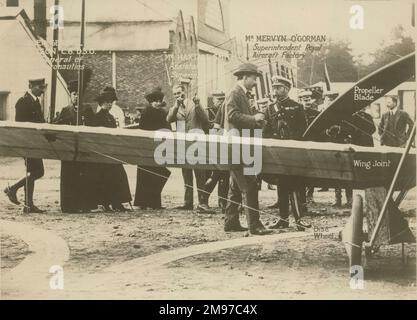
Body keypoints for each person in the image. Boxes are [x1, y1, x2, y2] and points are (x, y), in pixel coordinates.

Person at [223, 63, 272, 235]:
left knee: (235, 187)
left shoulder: (242, 94)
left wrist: (258, 120)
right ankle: (255, 225)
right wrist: (254, 118)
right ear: (245, 77)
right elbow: (232, 116)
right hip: (236, 147)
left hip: (238, 146)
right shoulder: (235, 93)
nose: (255, 82)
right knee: (250, 185)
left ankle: (231, 222)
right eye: (254, 78)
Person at [263, 76, 310, 231]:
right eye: (274, 87)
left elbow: (303, 131)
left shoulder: (297, 107)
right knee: (281, 187)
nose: (275, 90)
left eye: (278, 87)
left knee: (294, 187)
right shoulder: (270, 108)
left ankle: (299, 219)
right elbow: (267, 131)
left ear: (286, 89)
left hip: (292, 153)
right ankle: (283, 219)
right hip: (277, 153)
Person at [166, 85, 213, 213]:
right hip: (183, 144)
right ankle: (188, 202)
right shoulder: (174, 107)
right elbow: (169, 119)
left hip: (197, 143)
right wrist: (176, 105)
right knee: (186, 175)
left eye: (179, 93)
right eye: (175, 94)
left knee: (200, 175)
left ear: (184, 92)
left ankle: (203, 202)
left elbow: (205, 120)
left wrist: (198, 105)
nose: (178, 95)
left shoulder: (194, 104)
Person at [4, 79, 47, 213]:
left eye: (43, 87)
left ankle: (28, 205)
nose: (42, 90)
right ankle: (12, 188)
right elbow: (20, 126)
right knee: (38, 172)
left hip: (35, 144)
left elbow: (40, 122)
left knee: (32, 172)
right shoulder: (22, 102)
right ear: (31, 87)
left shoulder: (35, 102)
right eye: (40, 87)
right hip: (28, 144)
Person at [86, 89, 132, 212]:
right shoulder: (97, 118)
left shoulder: (111, 117)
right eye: (107, 102)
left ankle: (117, 202)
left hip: (112, 152)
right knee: (105, 178)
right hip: (102, 153)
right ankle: (105, 203)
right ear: (101, 103)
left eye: (111, 102)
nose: (110, 104)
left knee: (118, 176)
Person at [53, 80, 91, 213]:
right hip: (68, 149)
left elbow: (93, 127)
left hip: (83, 149)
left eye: (79, 94)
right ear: (71, 95)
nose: (76, 97)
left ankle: (84, 204)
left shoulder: (87, 110)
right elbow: (56, 127)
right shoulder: (65, 110)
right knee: (69, 176)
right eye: (74, 94)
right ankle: (69, 205)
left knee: (83, 176)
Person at [134, 88, 171, 209]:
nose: (158, 103)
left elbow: (167, 128)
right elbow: (142, 131)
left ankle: (154, 202)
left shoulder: (162, 113)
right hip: (147, 147)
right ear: (151, 102)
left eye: (159, 101)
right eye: (155, 101)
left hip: (158, 147)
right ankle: (143, 203)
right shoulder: (146, 113)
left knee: (159, 173)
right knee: (147, 174)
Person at [203, 91, 230, 212]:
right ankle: (203, 200)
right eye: (218, 100)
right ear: (213, 100)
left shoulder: (225, 110)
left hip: (224, 146)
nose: (220, 102)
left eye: (222, 99)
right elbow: (206, 127)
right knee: (214, 176)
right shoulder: (207, 111)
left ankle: (222, 202)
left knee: (224, 176)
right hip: (213, 147)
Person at [299, 89, 320, 203]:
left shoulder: (316, 114)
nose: (307, 102)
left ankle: (310, 195)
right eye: (304, 100)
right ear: (300, 100)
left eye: (308, 100)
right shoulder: (297, 113)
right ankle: (302, 196)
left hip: (312, 145)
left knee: (312, 172)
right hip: (301, 145)